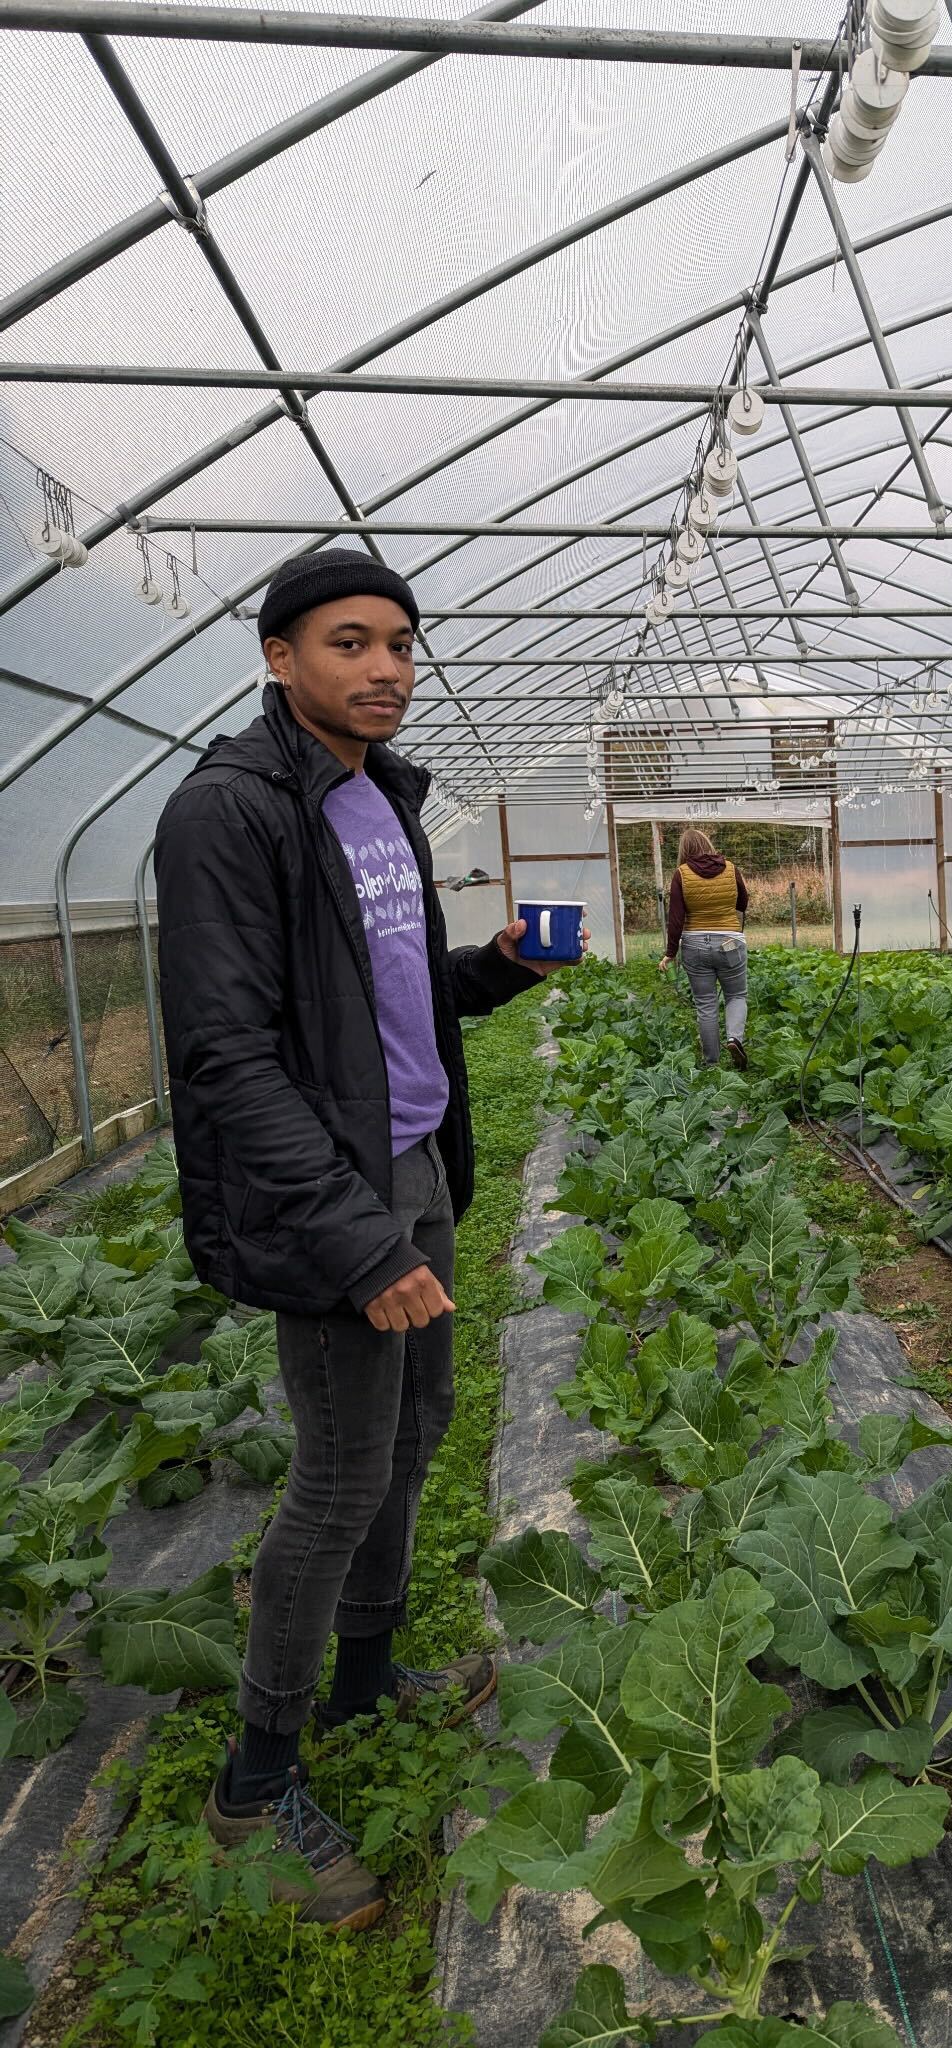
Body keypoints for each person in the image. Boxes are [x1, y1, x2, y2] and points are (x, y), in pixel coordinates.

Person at [155, 550, 584, 1929]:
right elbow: (227, 1057)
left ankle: (362, 1676)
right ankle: (253, 1786)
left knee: (419, 1428)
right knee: (339, 1474)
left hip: (409, 1164)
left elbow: (381, 1007)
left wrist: (500, 969)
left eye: (402, 642)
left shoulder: (377, 798)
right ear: (280, 659)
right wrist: (354, 1238)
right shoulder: (230, 813)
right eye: (351, 642)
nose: (388, 666)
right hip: (328, 1196)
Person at [660, 826, 750, 1068]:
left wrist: (670, 953)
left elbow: (676, 918)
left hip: (695, 944)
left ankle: (711, 1063)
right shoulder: (731, 868)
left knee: (706, 1002)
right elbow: (743, 901)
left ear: (684, 850)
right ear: (708, 844)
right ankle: (734, 1038)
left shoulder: (681, 874)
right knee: (736, 995)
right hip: (729, 941)